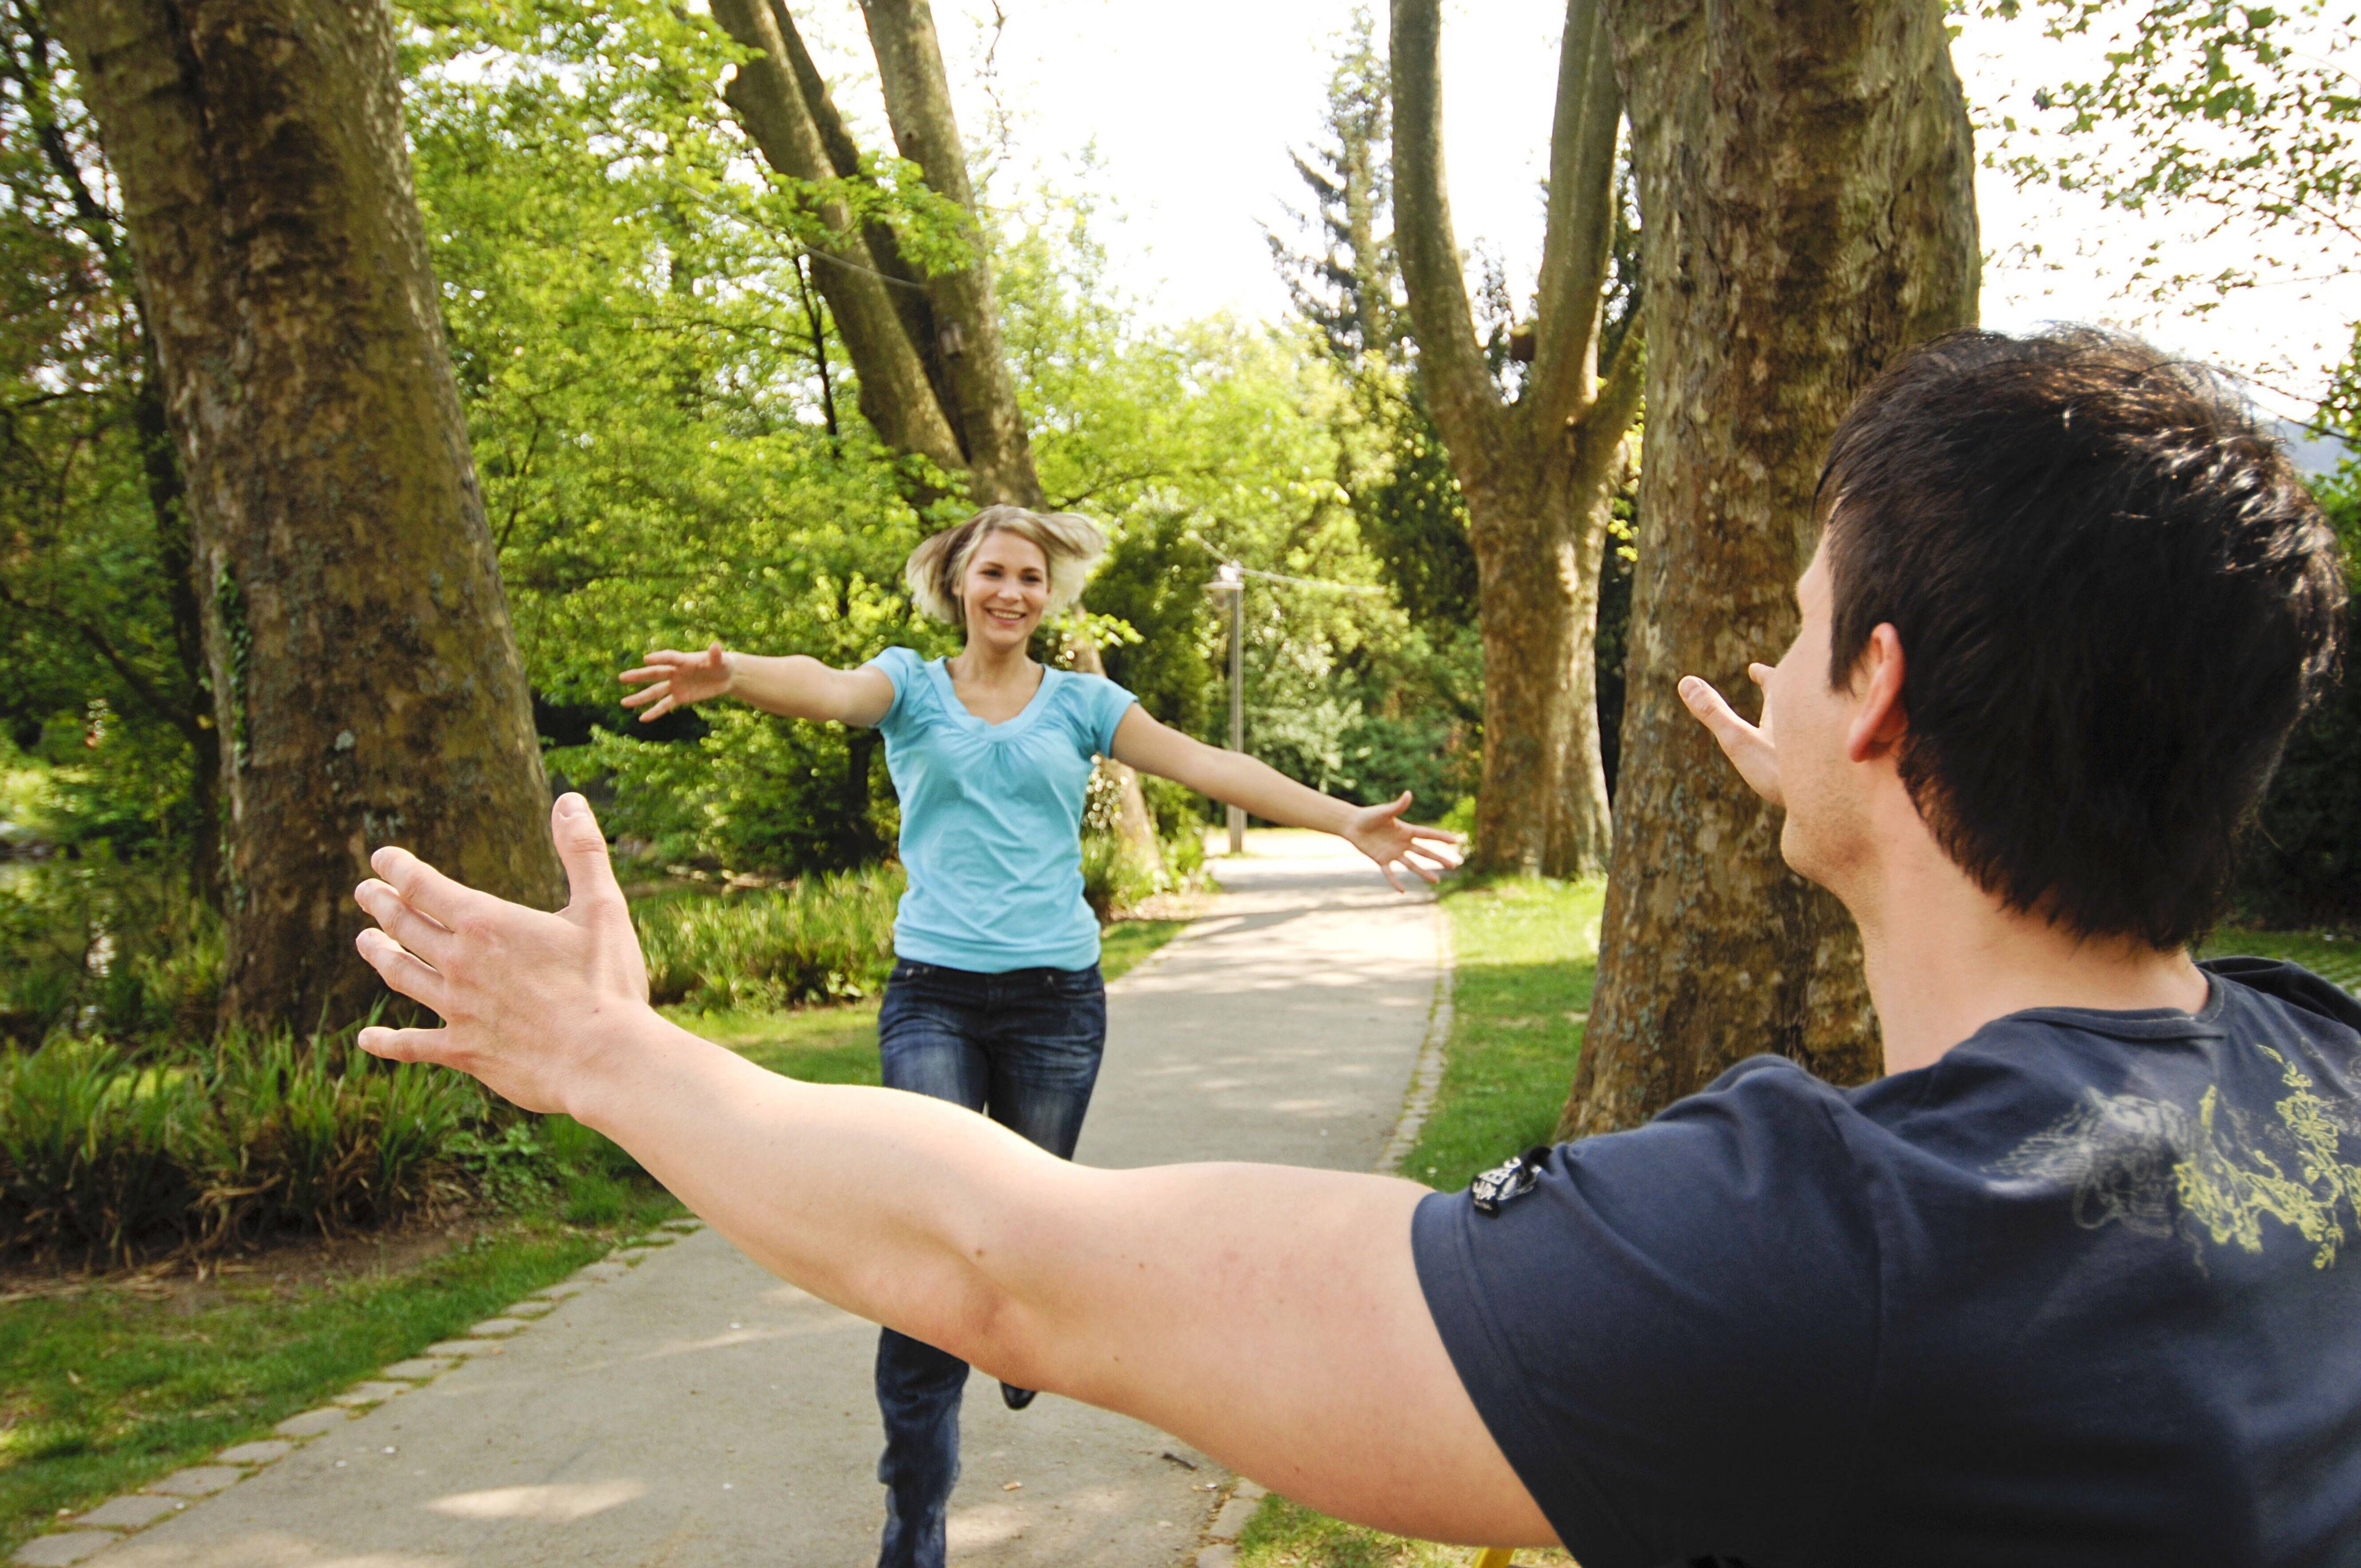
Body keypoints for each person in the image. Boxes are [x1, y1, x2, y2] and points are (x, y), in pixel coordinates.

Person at [350, 329, 2360, 1566]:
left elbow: (1010, 1266)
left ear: (1879, 696)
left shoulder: (1814, 1261)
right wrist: (1847, 807)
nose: (1767, 657)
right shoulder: (2317, 1060)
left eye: (1800, 622)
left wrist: (608, 1053)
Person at [609, 504, 1458, 1568]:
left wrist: (1341, 818)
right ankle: (915, 1516)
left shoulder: (1083, 703)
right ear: (957, 584)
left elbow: (1205, 763)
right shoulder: (910, 686)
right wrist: (734, 675)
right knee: (927, 1248)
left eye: (1030, 577)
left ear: (1049, 597)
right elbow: (828, 688)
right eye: (994, 573)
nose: (1011, 591)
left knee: (1026, 1228)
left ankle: (1018, 1330)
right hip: (934, 996)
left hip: (1056, 1003)